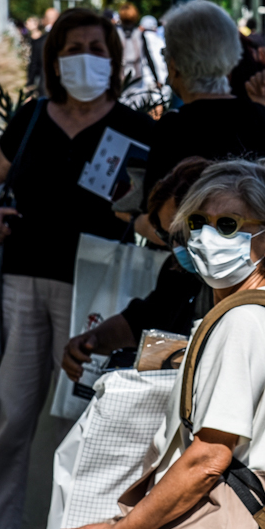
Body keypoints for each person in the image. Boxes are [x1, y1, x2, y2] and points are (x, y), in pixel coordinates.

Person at [28, 158, 265, 529]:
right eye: (196, 223)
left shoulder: (241, 322)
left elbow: (207, 459)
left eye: (227, 225)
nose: (207, 238)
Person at [0, 9, 156, 529]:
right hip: (21, 280)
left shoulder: (136, 128)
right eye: (74, 47)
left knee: (83, 421)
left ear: (114, 59)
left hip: (96, 291)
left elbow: (150, 211)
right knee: (10, 415)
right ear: (54, 58)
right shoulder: (30, 118)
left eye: (97, 47)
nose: (86, 57)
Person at [139, 0, 265, 242]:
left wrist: (136, 223)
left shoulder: (174, 127)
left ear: (174, 66)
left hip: (194, 272)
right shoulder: (260, 117)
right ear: (231, 60)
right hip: (259, 268)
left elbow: (162, 220)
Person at [61, 158, 211, 379]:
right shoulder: (178, 270)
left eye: (182, 234)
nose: (177, 247)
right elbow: (145, 318)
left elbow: (209, 360)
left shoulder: (240, 282)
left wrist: (151, 357)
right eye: (166, 237)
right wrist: (93, 340)